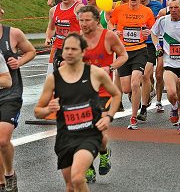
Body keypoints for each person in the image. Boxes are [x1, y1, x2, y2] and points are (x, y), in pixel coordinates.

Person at [34, 33, 121, 192]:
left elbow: (116, 95)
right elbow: (38, 111)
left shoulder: (95, 73)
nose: (69, 52)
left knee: (77, 177)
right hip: (65, 137)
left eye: (74, 49)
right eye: (66, 48)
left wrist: (108, 117)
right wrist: (49, 109)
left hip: (89, 135)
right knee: (70, 186)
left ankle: (100, 155)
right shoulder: (54, 78)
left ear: (83, 52)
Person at [79, 5, 127, 183]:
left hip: (104, 91)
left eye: (87, 20)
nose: (83, 24)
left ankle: (104, 152)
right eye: (81, 20)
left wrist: (110, 67)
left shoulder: (108, 36)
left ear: (96, 20)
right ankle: (88, 166)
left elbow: (123, 55)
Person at [109, 0, 156, 130]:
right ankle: (140, 100)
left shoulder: (147, 11)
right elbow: (110, 24)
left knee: (136, 83)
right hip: (123, 52)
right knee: (127, 88)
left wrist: (148, 32)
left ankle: (134, 117)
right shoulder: (119, 10)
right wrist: (114, 31)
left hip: (140, 51)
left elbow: (153, 29)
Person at [0, 7, 36, 192]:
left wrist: (19, 61)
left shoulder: (12, 34)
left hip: (10, 93)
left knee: (3, 140)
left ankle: (9, 174)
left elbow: (31, 51)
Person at [151, 0, 180, 134]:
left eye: (176, 8)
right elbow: (153, 33)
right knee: (171, 93)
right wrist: (158, 45)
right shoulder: (163, 21)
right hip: (170, 62)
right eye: (171, 8)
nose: (174, 10)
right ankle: (175, 106)